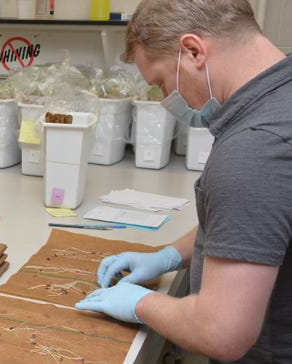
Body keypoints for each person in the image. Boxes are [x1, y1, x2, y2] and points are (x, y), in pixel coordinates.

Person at [75, 0, 291, 362]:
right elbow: (257, 223)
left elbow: (221, 331)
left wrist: (142, 303)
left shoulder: (254, 149)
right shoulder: (280, 98)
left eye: (161, 82)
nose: (167, 99)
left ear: (193, 52)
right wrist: (170, 256)